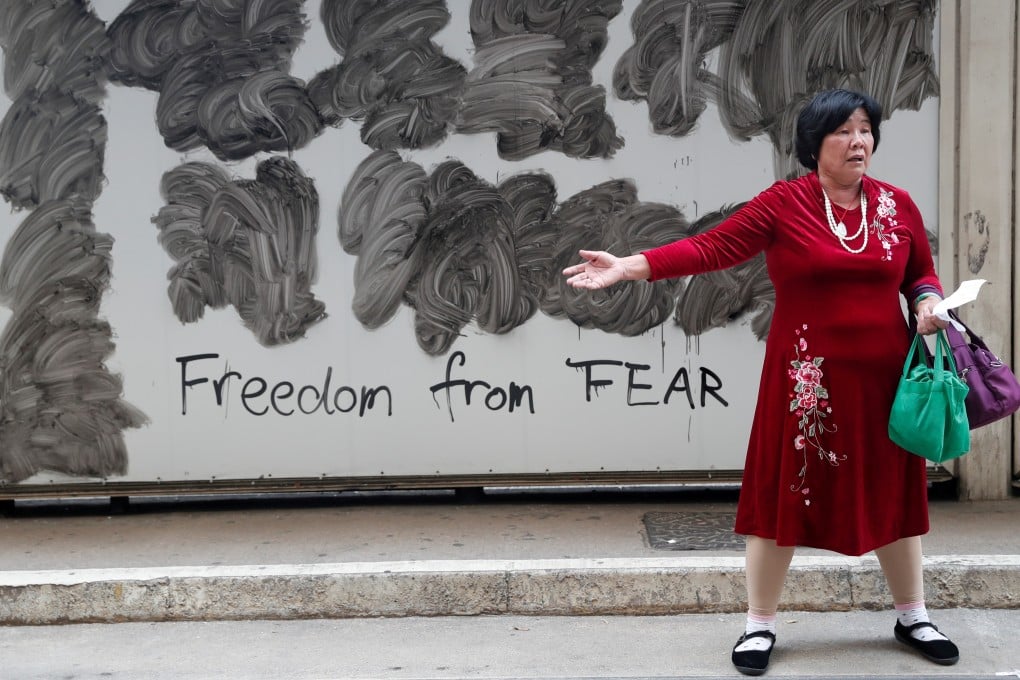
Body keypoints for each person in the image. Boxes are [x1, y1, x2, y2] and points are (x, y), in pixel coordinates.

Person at [563, 88, 958, 676]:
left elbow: (919, 273)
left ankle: (913, 614)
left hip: (884, 380)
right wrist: (630, 266)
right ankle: (759, 624)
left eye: (866, 130)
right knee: (784, 495)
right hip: (806, 383)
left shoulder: (897, 206)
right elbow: (710, 247)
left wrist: (929, 303)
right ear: (813, 144)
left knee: (892, 492)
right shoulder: (784, 204)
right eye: (844, 131)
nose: (859, 142)